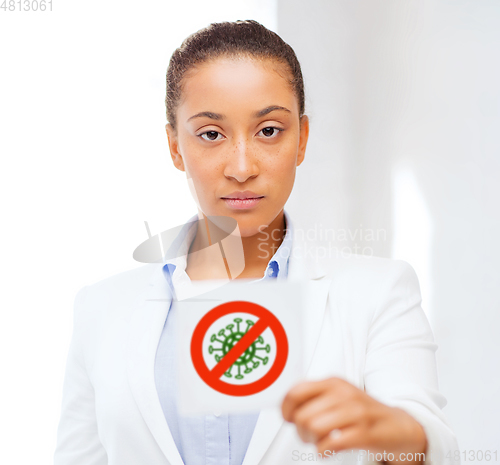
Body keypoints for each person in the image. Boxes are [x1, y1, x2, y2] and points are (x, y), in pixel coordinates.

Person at [54, 20, 460, 465]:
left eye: (269, 130)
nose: (242, 167)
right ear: (174, 146)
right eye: (211, 134)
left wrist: (402, 439)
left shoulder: (379, 292)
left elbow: (431, 443)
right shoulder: (101, 309)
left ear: (302, 139)